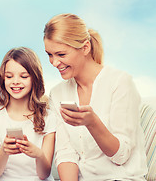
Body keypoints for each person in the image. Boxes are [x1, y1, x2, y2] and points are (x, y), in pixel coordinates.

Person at [43, 13, 148, 180]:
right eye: (49, 54)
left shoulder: (120, 82)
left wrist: (92, 123)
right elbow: (66, 154)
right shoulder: (57, 93)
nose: (54, 63)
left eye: (61, 54)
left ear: (85, 47)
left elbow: (121, 156)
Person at [0, 47, 56, 181]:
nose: (15, 81)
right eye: (9, 76)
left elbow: (44, 174)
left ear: (35, 78)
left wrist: (38, 155)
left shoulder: (48, 117)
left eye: (24, 76)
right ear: (3, 78)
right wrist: (4, 150)